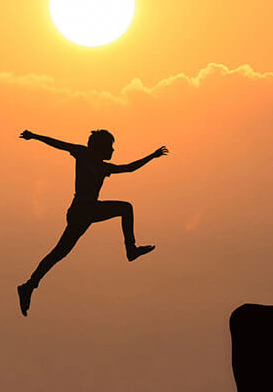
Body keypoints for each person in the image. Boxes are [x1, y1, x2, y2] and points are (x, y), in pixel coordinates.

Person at [17, 129, 169, 316]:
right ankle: (131, 250)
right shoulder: (82, 153)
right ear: (100, 147)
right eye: (110, 147)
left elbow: (129, 168)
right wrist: (34, 136)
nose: (113, 150)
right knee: (125, 208)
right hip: (81, 210)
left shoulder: (104, 168)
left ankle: (29, 286)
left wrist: (152, 156)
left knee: (59, 253)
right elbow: (58, 143)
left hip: (88, 211)